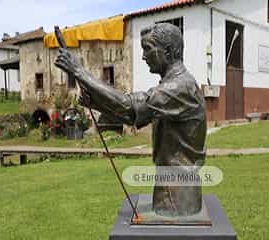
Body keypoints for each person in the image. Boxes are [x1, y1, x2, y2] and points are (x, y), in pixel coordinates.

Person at [55, 23, 207, 217]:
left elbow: (130, 107)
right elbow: (132, 116)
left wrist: (79, 71)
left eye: (148, 49)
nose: (143, 57)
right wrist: (98, 104)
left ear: (167, 51)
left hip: (178, 193)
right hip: (170, 187)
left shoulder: (181, 87)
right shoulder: (173, 85)